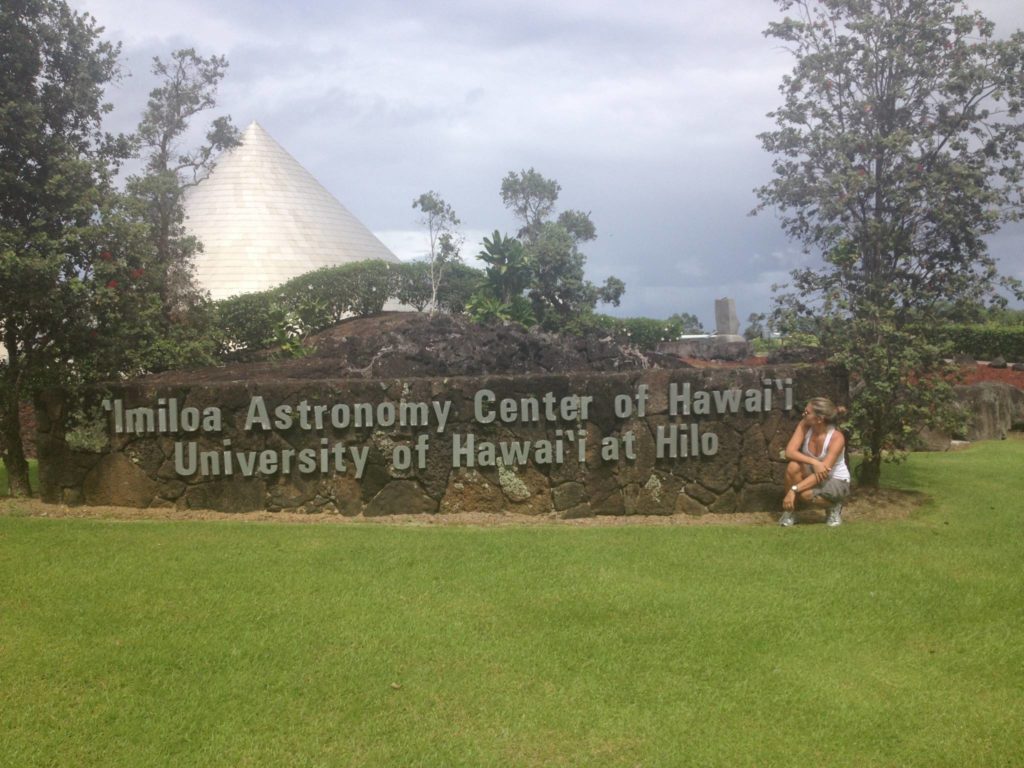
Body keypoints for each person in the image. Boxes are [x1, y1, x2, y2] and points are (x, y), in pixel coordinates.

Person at [780, 397, 850, 527]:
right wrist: (814, 462)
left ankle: (834, 506)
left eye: (807, 412)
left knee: (805, 495)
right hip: (814, 472)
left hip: (836, 480)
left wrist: (794, 490)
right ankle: (789, 513)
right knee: (793, 466)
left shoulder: (836, 438)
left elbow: (822, 474)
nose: (803, 414)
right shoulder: (805, 425)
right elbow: (790, 452)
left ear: (819, 419)